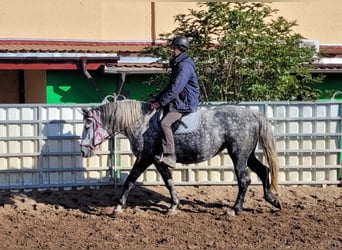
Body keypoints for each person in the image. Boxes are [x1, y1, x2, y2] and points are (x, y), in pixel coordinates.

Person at [150, 35, 200, 168]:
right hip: (179, 100)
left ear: (180, 49)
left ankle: (170, 156)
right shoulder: (179, 64)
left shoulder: (184, 66)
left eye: (173, 48)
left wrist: (160, 103)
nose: (172, 51)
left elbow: (175, 88)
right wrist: (158, 98)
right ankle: (161, 150)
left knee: (165, 123)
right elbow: (170, 86)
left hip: (185, 102)